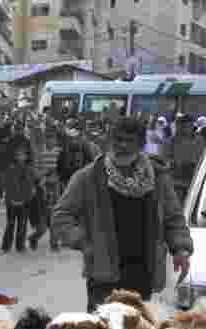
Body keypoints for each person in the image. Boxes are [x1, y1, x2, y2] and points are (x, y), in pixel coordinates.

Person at [53, 116, 192, 313]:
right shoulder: (89, 176)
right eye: (118, 140)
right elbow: (61, 216)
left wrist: (181, 248)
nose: (123, 145)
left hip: (143, 272)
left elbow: (173, 218)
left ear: (140, 144)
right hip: (103, 275)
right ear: (110, 141)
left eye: (130, 141)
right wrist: (85, 242)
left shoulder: (157, 177)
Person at [0, 142, 37, 254]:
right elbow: (6, 185)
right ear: (15, 156)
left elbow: (31, 186)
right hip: (11, 202)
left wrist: (27, 199)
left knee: (22, 225)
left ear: (26, 156)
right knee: (10, 224)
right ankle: (5, 247)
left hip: (25, 202)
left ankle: (20, 246)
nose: (21, 157)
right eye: (19, 155)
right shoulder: (10, 169)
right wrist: (10, 199)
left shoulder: (30, 170)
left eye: (23, 155)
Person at [32, 126, 62, 251]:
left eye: (52, 138)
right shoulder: (40, 153)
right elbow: (36, 172)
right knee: (43, 221)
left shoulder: (60, 152)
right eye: (48, 138)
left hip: (56, 186)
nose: (50, 141)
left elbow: (63, 168)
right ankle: (34, 237)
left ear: (56, 140)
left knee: (55, 215)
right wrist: (44, 174)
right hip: (43, 187)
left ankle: (54, 244)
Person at [57, 118, 99, 192]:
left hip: (75, 172)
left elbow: (90, 157)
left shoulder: (83, 141)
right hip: (70, 173)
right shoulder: (79, 140)